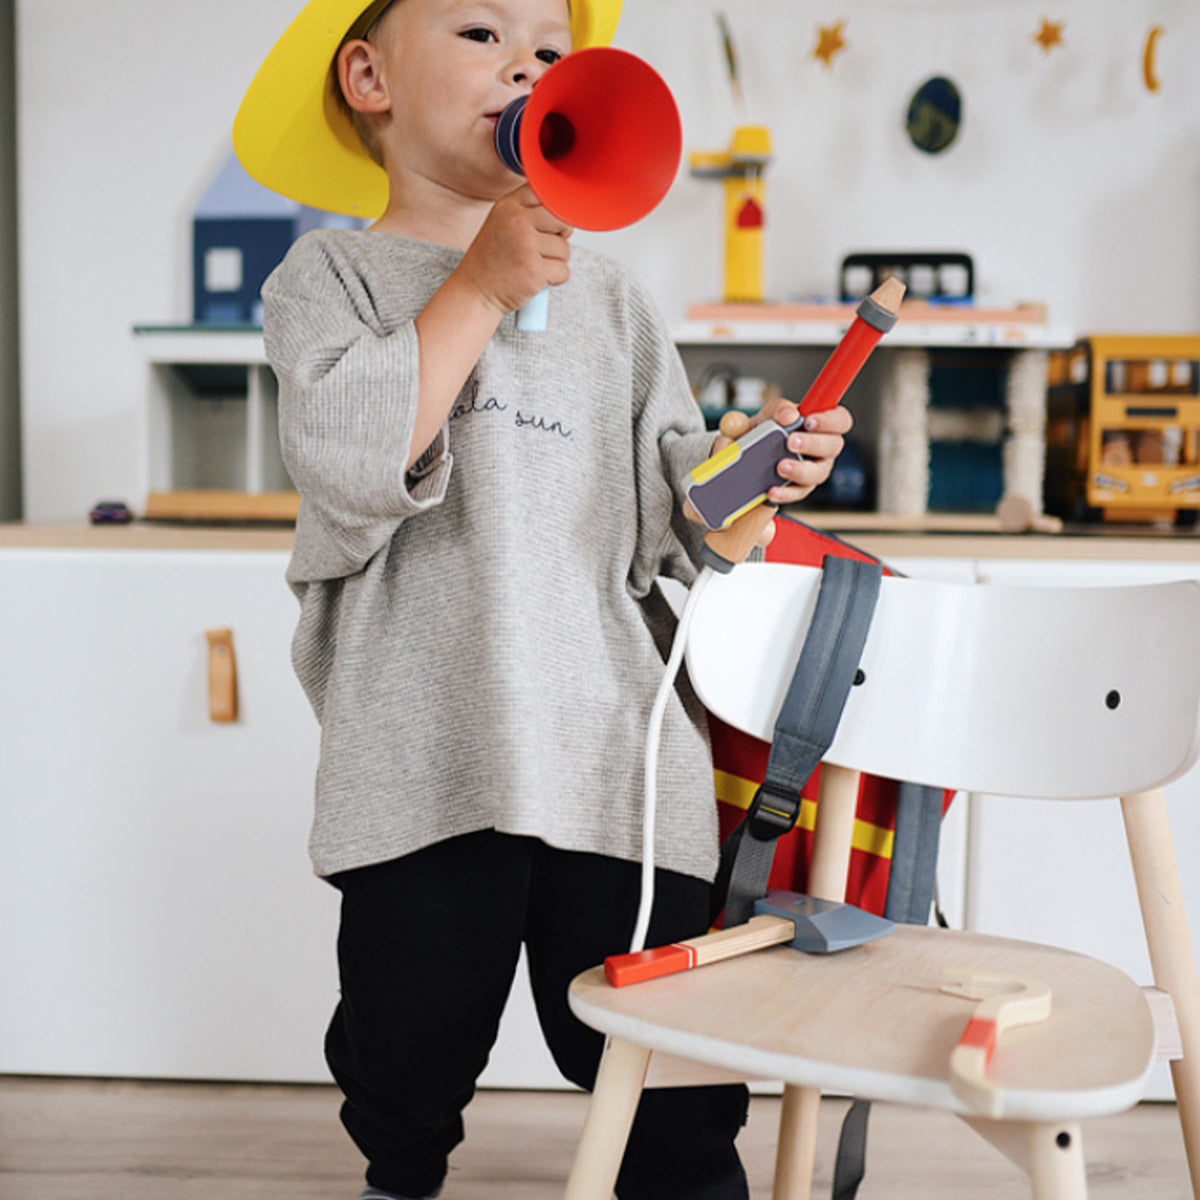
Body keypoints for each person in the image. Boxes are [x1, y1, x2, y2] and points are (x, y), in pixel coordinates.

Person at [236, 0, 852, 1196]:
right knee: (409, 1057)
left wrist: (755, 472)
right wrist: (478, 281)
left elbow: (693, 534)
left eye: (551, 51)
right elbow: (353, 462)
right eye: (480, 34)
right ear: (368, 76)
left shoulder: (614, 301)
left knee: (671, 1080)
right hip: (423, 761)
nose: (526, 63)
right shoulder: (329, 276)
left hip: (618, 763)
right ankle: (397, 1161)